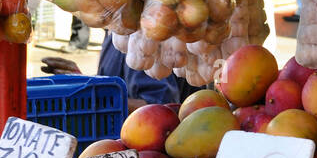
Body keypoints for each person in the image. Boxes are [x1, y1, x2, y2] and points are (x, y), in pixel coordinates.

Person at [42, 40, 202, 112]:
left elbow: (160, 108)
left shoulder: (142, 38)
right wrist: (83, 82)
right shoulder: (115, 34)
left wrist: (91, 96)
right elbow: (115, 88)